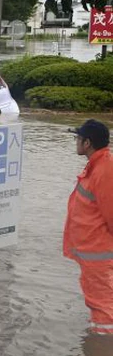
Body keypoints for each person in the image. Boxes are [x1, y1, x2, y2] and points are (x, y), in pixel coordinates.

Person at [63, 119, 113, 336]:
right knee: (99, 301)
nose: (76, 142)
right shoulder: (97, 166)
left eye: (78, 138)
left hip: (98, 254)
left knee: (102, 306)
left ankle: (101, 348)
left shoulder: (105, 171)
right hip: (93, 252)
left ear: (87, 143)